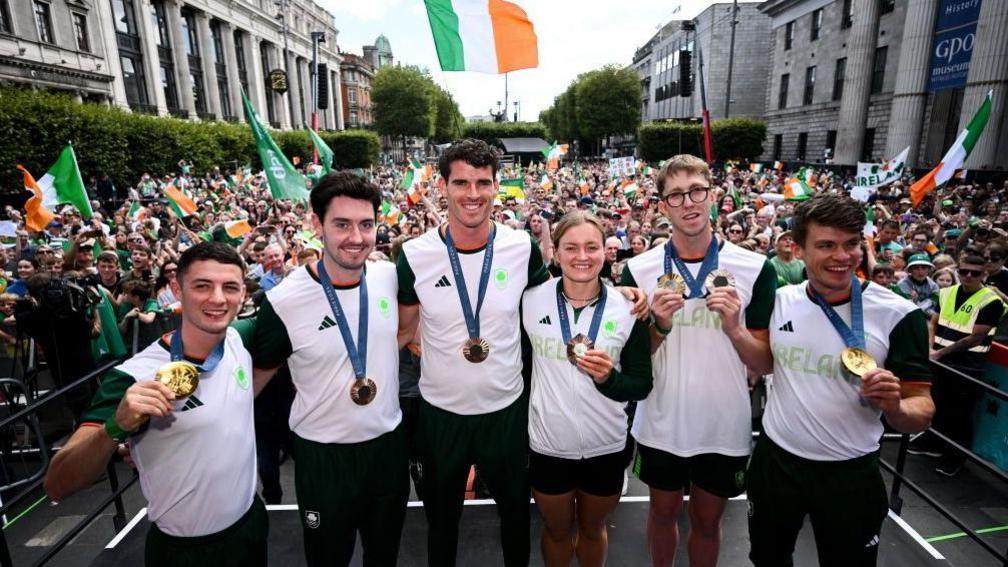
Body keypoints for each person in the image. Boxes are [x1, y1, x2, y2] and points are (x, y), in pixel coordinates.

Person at [43, 242, 266, 567]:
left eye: (229, 287)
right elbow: (57, 484)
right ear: (177, 288)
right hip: (183, 551)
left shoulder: (237, 339)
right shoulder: (133, 376)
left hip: (251, 525)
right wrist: (115, 428)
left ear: (243, 293)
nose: (218, 299)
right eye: (202, 286)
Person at [748, 194, 934, 566]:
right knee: (768, 559)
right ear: (798, 249)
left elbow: (922, 409)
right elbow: (763, 363)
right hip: (776, 463)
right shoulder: (779, 300)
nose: (842, 256)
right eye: (827, 245)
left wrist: (895, 405)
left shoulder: (900, 313)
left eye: (852, 244)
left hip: (851, 472)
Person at [396, 139, 551, 566]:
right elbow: (403, 329)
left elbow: (552, 308)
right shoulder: (413, 255)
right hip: (441, 413)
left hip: (505, 409)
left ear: (496, 187)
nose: (473, 193)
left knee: (516, 517)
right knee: (441, 523)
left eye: (483, 182)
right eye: (461, 182)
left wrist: (622, 296)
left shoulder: (521, 247)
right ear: (442, 187)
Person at [622, 154, 777, 567]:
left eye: (696, 191)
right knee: (661, 513)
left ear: (713, 194)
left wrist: (734, 328)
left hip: (722, 421)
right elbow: (631, 361)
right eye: (675, 195)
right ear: (661, 205)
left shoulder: (756, 267)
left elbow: (763, 363)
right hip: (660, 421)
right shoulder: (637, 270)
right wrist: (659, 324)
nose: (688, 202)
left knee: (708, 524)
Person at [251, 172, 408, 566]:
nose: (356, 237)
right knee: (327, 559)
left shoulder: (389, 277)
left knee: (384, 556)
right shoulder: (284, 301)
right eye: (342, 224)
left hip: (386, 447)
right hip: (323, 457)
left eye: (366, 224)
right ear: (316, 224)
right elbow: (254, 380)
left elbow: (409, 332)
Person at [522, 211, 652, 567]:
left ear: (606, 251)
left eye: (592, 247)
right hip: (549, 446)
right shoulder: (529, 300)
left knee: (593, 530)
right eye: (571, 247)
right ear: (557, 252)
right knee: (557, 532)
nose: (582, 256)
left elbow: (642, 384)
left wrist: (609, 378)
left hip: (606, 447)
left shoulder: (628, 308)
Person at [923, 254, 1006, 476]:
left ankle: (956, 457)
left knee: (960, 413)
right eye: (964, 271)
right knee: (937, 403)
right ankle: (933, 442)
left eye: (975, 273)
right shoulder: (947, 292)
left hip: (967, 365)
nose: (968, 276)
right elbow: (933, 321)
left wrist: (939, 353)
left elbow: (975, 338)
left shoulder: (991, 302)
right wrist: (931, 347)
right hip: (940, 361)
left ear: (985, 274)